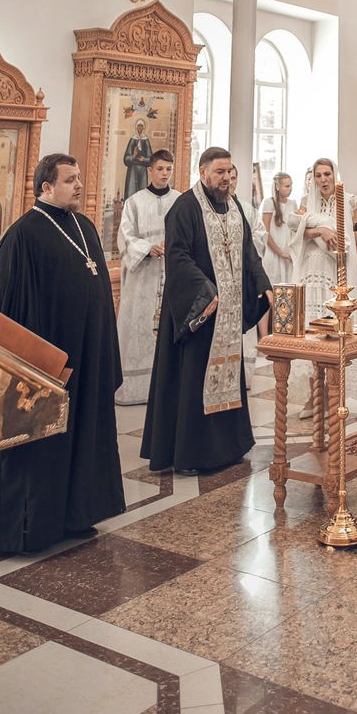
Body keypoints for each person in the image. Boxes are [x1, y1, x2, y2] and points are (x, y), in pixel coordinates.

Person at [0, 153, 125, 554]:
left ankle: (77, 514)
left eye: (78, 178)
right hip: (47, 364)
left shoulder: (85, 226)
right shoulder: (22, 236)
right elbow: (7, 311)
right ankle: (32, 530)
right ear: (46, 186)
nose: (79, 185)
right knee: (43, 443)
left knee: (82, 435)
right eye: (70, 180)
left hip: (87, 357)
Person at [141, 147, 272, 474]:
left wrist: (262, 282)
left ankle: (229, 447)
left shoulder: (234, 206)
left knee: (229, 377)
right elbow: (178, 256)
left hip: (228, 315)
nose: (226, 178)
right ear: (203, 173)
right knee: (194, 381)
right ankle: (195, 454)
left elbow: (248, 251)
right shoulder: (185, 207)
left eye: (229, 172)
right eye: (219, 172)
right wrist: (206, 291)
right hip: (201, 313)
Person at [293, 157, 357, 419]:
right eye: (318, 175)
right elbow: (297, 232)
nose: (323, 179)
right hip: (311, 275)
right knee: (312, 333)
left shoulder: (351, 201)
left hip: (337, 274)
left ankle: (333, 395)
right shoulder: (305, 201)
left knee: (334, 335)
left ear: (335, 175)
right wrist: (319, 231)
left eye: (327, 174)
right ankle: (314, 397)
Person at [116, 148, 179, 406]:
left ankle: (168, 389)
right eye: (160, 169)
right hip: (142, 276)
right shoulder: (134, 202)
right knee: (138, 327)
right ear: (150, 170)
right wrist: (147, 249)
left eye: (169, 169)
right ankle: (135, 390)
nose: (165, 174)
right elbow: (125, 237)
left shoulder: (180, 200)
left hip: (172, 273)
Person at [260, 172, 298, 286]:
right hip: (273, 254)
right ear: (277, 187)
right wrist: (281, 253)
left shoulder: (293, 204)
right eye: (287, 186)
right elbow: (265, 233)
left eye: (291, 185)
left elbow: (295, 231)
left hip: (288, 255)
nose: (290, 189)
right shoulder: (269, 203)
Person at [123, 119, 152, 198]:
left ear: (144, 127)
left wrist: (144, 159)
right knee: (131, 192)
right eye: (138, 126)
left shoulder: (146, 140)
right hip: (133, 169)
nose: (140, 128)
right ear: (136, 127)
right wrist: (133, 156)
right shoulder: (133, 139)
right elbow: (126, 159)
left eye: (141, 126)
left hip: (142, 170)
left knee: (142, 194)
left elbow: (151, 159)